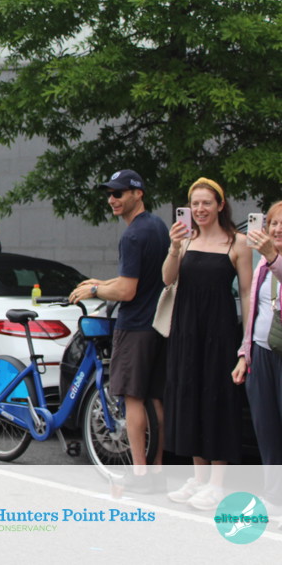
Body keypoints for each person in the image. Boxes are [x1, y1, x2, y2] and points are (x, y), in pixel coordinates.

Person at [69, 169, 169, 492]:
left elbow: (127, 290)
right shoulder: (157, 226)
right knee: (155, 399)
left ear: (138, 193)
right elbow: (141, 278)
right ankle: (157, 471)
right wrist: (102, 282)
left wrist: (95, 291)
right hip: (158, 325)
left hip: (135, 326)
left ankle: (140, 474)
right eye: (110, 194)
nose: (112, 199)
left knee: (133, 398)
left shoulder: (132, 235)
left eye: (119, 193)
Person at [162, 178, 251, 509]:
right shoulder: (185, 240)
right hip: (186, 331)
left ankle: (217, 483)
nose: (200, 209)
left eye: (206, 203)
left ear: (220, 205)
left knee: (217, 399)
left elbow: (246, 293)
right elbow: (167, 279)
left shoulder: (238, 242)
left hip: (221, 331)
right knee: (189, 398)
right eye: (195, 203)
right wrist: (173, 248)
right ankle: (199, 479)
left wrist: (246, 344)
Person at [234, 200, 282, 519]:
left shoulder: (271, 260)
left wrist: (274, 258)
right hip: (262, 354)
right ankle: (274, 497)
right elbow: (253, 311)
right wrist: (244, 353)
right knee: (266, 430)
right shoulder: (263, 263)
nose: (277, 229)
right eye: (273, 223)